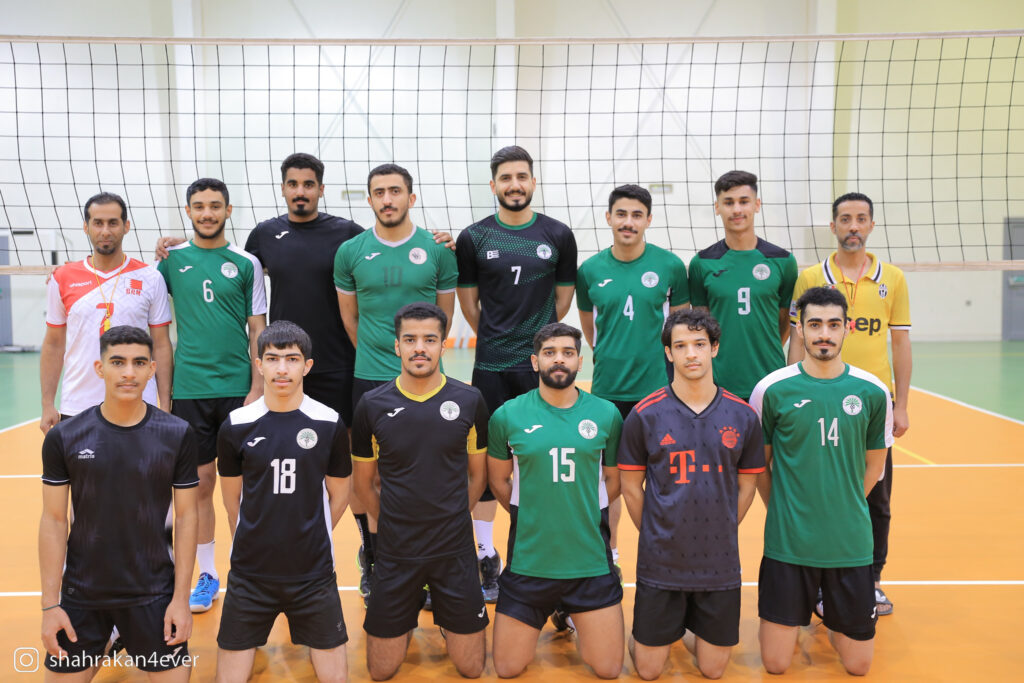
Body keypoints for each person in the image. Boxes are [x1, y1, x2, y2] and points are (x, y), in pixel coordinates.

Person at [39, 325, 198, 680]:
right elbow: (53, 520)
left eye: (139, 362)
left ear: (152, 369)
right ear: (100, 368)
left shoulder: (176, 434)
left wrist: (181, 600)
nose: (129, 372)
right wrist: (50, 605)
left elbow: (187, 517)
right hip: (83, 593)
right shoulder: (65, 436)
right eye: (118, 362)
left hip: (154, 594)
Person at [455, 145, 578, 602]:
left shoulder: (557, 234)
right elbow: (469, 304)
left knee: (542, 459)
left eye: (521, 176)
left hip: (538, 368)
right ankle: (486, 554)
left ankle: (544, 552)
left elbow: (562, 301)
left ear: (532, 181)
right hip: (490, 366)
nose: (514, 185)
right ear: (493, 185)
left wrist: (536, 343)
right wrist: (497, 336)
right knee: (487, 462)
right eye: (505, 178)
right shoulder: (474, 238)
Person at [749, 286, 892, 676]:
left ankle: (832, 614)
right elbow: (760, 466)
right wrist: (782, 508)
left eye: (832, 325)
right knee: (776, 664)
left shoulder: (873, 391)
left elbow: (875, 467)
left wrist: (845, 505)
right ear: (800, 328)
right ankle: (813, 606)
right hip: (788, 544)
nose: (823, 334)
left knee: (858, 666)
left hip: (849, 545)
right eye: (814, 325)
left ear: (847, 328)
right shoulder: (771, 389)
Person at [618, 309, 763, 680]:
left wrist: (724, 524)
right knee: (648, 670)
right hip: (661, 561)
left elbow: (748, 486)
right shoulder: (644, 414)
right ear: (669, 353)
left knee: (713, 670)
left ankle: (684, 628)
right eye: (680, 346)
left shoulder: (744, 415)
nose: (691, 354)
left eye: (699, 344)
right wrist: (655, 532)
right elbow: (630, 488)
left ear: (714, 347)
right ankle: (660, 631)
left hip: (719, 562)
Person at [787, 192, 911, 616]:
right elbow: (797, 339)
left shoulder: (892, 278)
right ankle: (816, 580)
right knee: (814, 490)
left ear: (871, 225)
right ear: (833, 225)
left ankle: (870, 581)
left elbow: (900, 343)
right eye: (845, 219)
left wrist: (901, 404)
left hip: (873, 406)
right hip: (818, 401)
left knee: (876, 497)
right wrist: (792, 392)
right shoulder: (810, 277)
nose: (853, 226)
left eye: (861, 219)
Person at [351, 303, 489, 680]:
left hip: (453, 547)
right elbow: (363, 484)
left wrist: (453, 516)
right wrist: (393, 521)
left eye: (429, 339)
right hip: (397, 550)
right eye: (410, 340)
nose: (419, 348)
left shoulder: (469, 400)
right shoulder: (372, 405)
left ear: (443, 345)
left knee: (471, 668)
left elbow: (478, 478)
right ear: (397, 346)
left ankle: (446, 618)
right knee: (381, 671)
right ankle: (404, 618)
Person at [215, 321, 351, 683]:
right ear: (259, 364)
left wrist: (311, 532)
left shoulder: (329, 423)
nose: (282, 368)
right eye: (273, 359)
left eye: (292, 359)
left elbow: (340, 495)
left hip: (313, 574)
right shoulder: (236, 425)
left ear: (307, 366)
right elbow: (232, 502)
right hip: (249, 575)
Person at [487, 322, 623, 679]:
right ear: (535, 362)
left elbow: (613, 481)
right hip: (529, 562)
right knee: (507, 668)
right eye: (549, 353)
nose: (558, 360)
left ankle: (569, 610)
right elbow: (498, 480)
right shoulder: (507, 415)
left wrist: (579, 509)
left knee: (608, 669)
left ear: (580, 361)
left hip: (589, 563)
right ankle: (556, 607)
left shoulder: (606, 413)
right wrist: (534, 509)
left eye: (567, 353)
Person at [157, 177, 267, 613]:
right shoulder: (170, 262)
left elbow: (258, 329)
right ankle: (207, 574)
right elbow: (154, 324)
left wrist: (257, 388)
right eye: (199, 206)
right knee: (200, 485)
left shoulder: (246, 263)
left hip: (238, 390)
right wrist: (163, 399)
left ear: (228, 210)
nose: (207, 213)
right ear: (188, 211)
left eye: (215, 206)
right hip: (190, 391)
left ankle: (248, 570)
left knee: (244, 487)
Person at [577, 183, 689, 576]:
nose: (628, 222)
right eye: (621, 214)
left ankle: (664, 551)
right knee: (608, 479)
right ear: (608, 217)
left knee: (662, 476)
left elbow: (681, 329)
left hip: (658, 392)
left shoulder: (670, 266)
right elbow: (591, 330)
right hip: (607, 392)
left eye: (637, 215)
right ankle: (608, 555)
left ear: (649, 220)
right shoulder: (590, 271)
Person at [41, 192, 173, 431]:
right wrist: (47, 404)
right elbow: (53, 344)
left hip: (138, 403)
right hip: (79, 404)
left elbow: (162, 345)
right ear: (86, 227)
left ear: (126, 226)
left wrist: (165, 404)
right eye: (98, 223)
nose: (105, 231)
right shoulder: (62, 278)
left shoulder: (151, 278)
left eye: (113, 223)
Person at [334, 163, 458, 412]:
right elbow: (350, 319)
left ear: (411, 199)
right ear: (370, 201)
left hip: (426, 373)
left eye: (395, 191)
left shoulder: (439, 249)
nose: (387, 200)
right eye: (379, 193)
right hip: (370, 374)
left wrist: (421, 356)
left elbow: (445, 316)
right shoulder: (349, 251)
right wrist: (375, 354)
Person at [687, 170, 798, 400]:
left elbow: (785, 321)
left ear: (757, 205)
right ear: (717, 207)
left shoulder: (783, 261)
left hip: (770, 380)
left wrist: (762, 348)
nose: (736, 209)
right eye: (728, 202)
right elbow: (702, 327)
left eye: (744, 201)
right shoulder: (702, 263)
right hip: (718, 383)